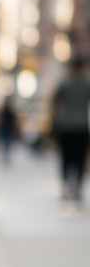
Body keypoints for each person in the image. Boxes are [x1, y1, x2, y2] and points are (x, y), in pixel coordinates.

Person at [52, 55, 90, 205]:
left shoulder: (64, 84)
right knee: (80, 159)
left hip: (66, 126)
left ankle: (67, 187)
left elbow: (55, 104)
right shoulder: (87, 84)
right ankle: (77, 189)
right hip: (81, 126)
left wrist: (54, 123)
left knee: (66, 159)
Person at [0, 96, 18, 164]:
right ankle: (6, 156)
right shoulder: (6, 111)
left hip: (7, 129)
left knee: (6, 144)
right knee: (6, 144)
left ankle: (6, 156)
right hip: (6, 129)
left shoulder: (5, 111)